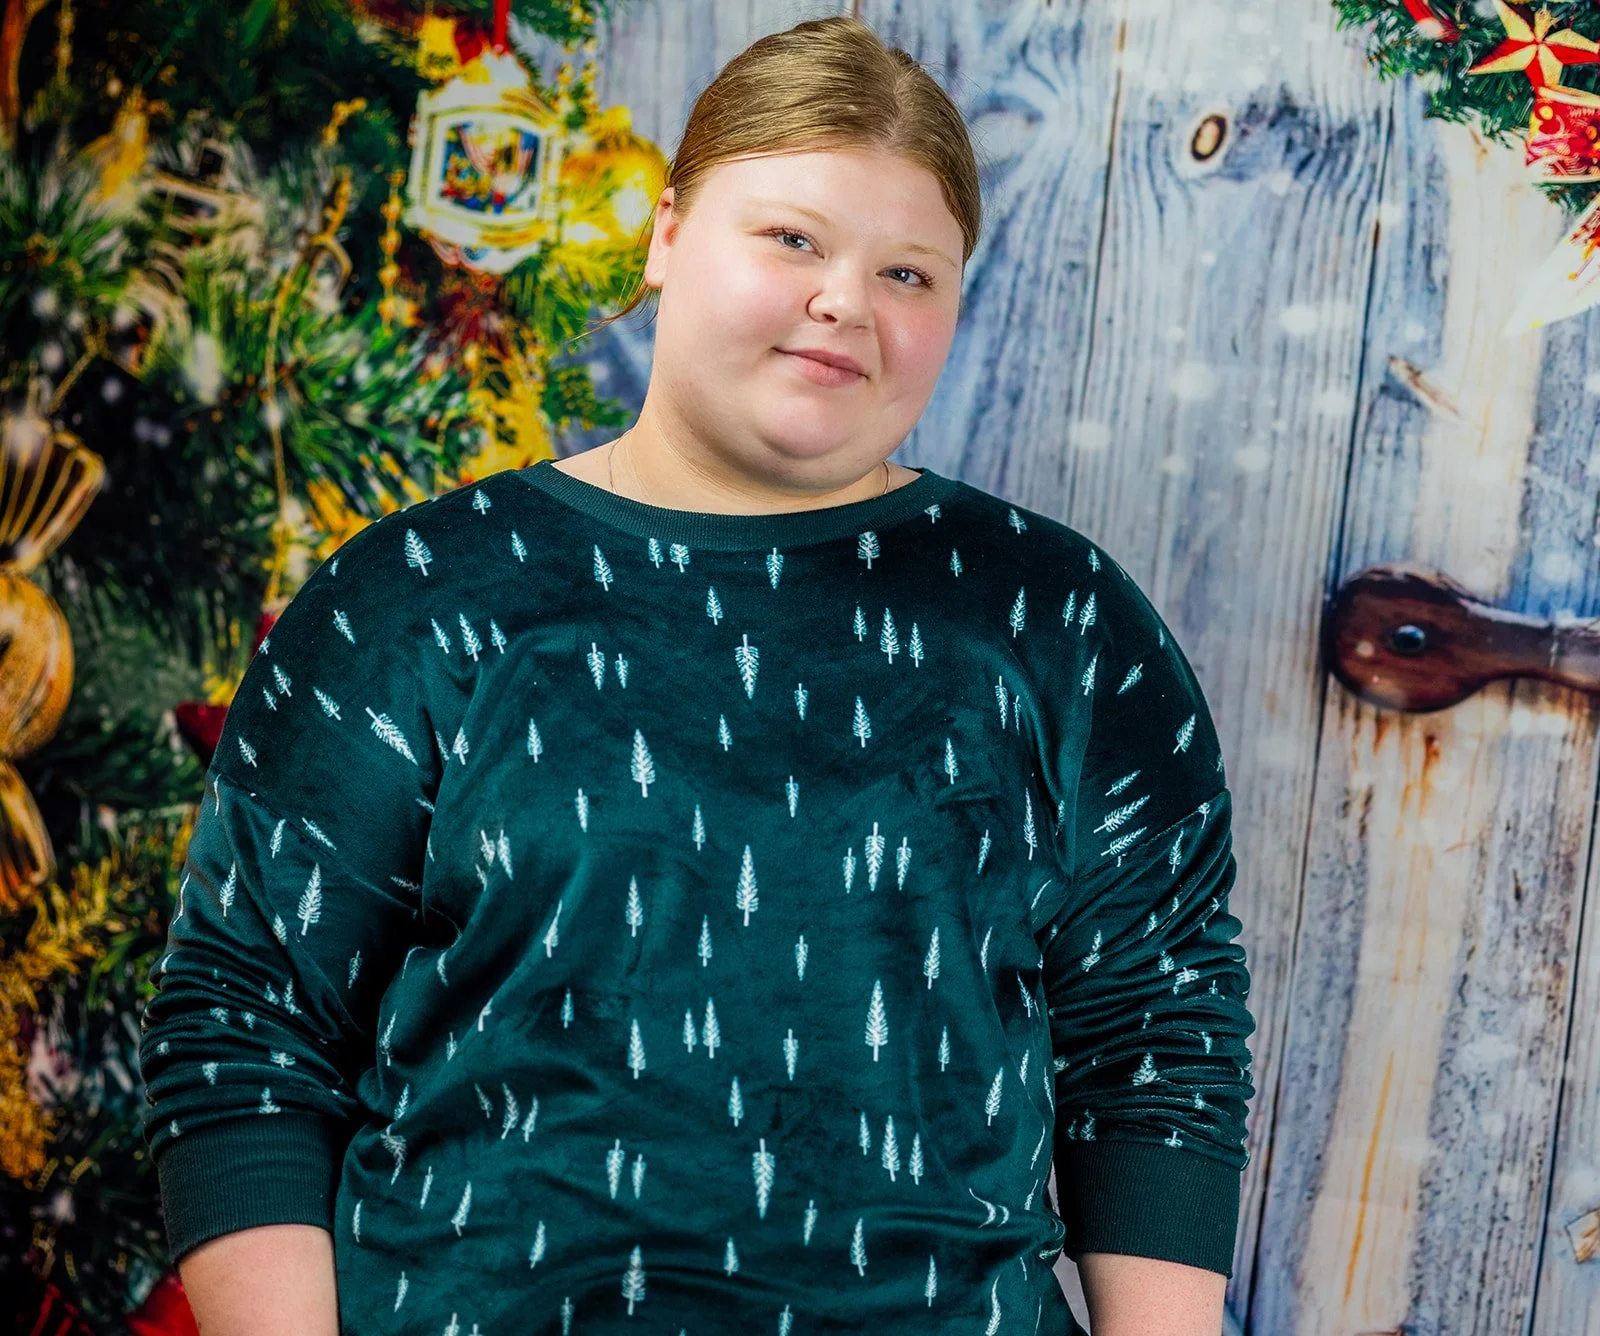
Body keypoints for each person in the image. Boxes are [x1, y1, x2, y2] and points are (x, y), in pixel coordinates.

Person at [137, 15, 1255, 1335]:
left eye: (910, 272)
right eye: (793, 238)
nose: (847, 299)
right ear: (668, 233)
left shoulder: (1057, 620)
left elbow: (1157, 1036)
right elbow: (245, 1023)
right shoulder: (419, 596)